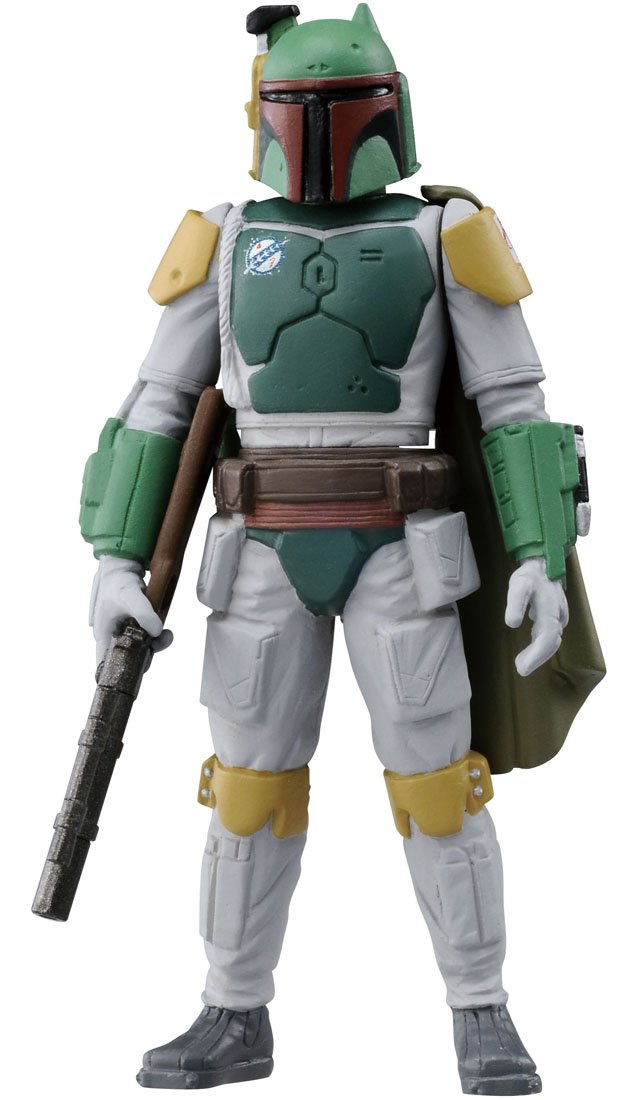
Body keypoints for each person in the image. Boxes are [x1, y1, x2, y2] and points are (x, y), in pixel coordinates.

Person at [80, 5, 603, 1094]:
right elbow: (155, 406)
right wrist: (115, 559)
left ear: (389, 110)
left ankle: (480, 1009)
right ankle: (233, 1010)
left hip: (404, 548)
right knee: (246, 788)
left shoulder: (443, 232)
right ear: (261, 112)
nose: (319, 132)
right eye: (298, 109)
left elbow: (513, 407)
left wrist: (541, 553)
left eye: (342, 108)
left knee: (438, 785)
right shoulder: (224, 236)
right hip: (258, 550)